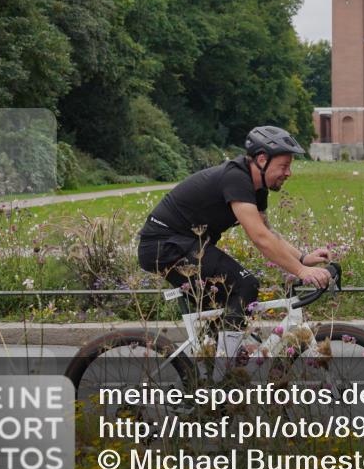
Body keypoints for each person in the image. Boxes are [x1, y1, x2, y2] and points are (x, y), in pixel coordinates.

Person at [137, 125, 332, 359]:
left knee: (227, 313)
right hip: (165, 246)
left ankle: (214, 367)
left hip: (186, 246)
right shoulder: (236, 178)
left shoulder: (257, 188)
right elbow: (259, 238)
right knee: (245, 285)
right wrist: (301, 271)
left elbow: (268, 232)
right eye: (284, 166)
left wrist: (302, 258)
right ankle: (225, 370)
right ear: (262, 159)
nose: (288, 173)